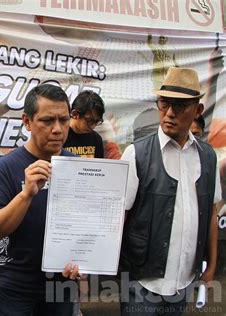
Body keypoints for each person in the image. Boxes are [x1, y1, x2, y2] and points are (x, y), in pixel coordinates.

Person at [119, 67, 221, 315]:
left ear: (198, 110)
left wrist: (210, 267)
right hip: (140, 283)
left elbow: (211, 214)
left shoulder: (208, 157)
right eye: (164, 104)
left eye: (180, 106)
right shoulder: (136, 154)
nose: (170, 114)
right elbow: (118, 217)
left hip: (184, 282)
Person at [0, 83, 81, 316]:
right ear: (27, 122)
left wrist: (86, 263)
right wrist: (26, 194)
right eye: (47, 121)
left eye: (64, 120)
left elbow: (87, 227)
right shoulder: (5, 167)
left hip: (62, 287)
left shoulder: (78, 167)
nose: (57, 129)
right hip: (16, 288)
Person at [63, 90, 105, 158]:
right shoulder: (60, 136)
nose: (93, 126)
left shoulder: (96, 139)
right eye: (89, 121)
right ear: (75, 114)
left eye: (97, 121)